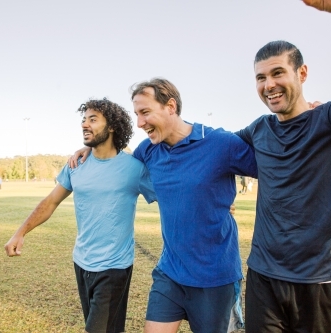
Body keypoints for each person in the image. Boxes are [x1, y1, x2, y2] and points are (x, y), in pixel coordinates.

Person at [235, 1, 331, 332]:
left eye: (278, 72)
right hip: (263, 276)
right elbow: (212, 150)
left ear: (302, 73)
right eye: (261, 77)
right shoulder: (258, 130)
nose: (269, 85)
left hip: (322, 280)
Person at [71, 79, 257, 333]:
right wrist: (90, 147)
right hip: (170, 273)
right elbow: (118, 163)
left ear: (170, 106)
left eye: (145, 112)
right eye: (137, 114)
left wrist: (304, 119)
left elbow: (273, 167)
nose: (139, 123)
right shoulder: (148, 150)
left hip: (215, 277)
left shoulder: (220, 143)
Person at [5, 98, 157, 333]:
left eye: (93, 120)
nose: (85, 124)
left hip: (114, 266)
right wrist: (20, 232)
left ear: (112, 126)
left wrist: (216, 203)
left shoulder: (134, 168)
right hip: (82, 262)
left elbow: (171, 195)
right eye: (84, 119)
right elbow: (51, 201)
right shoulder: (76, 164)